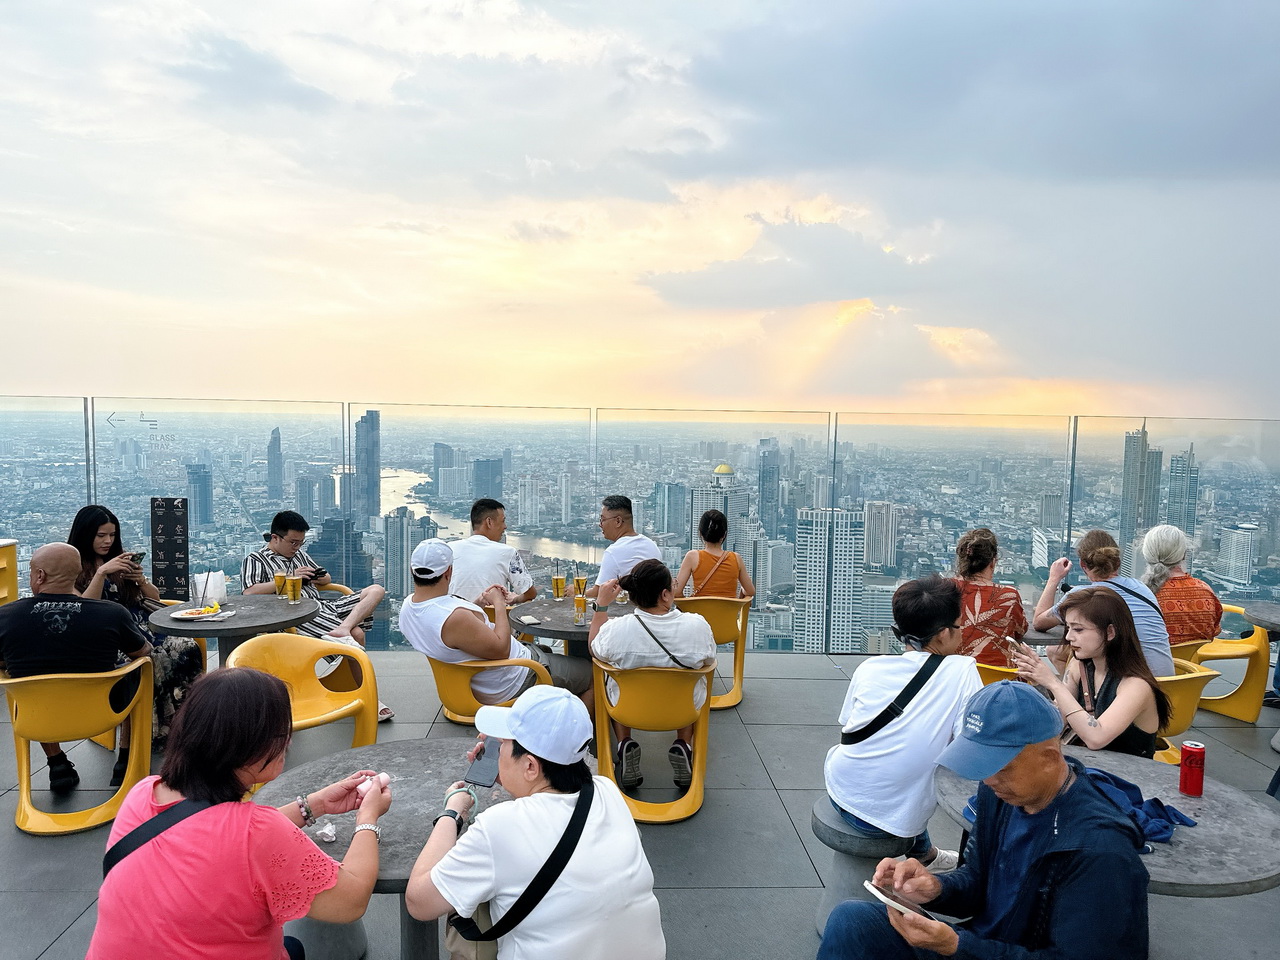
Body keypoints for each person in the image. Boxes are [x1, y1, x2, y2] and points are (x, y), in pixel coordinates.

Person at [818, 681, 1149, 960]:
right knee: (851, 920)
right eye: (980, 764)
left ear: (1049, 759)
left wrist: (957, 946)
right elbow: (977, 882)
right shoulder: (1002, 793)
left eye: (1001, 767)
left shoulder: (1099, 852)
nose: (988, 780)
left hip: (1006, 950)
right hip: (982, 944)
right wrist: (935, 889)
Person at [86, 668, 392, 960]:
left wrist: (315, 805)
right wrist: (368, 818)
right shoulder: (258, 832)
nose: (288, 740)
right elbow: (350, 902)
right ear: (247, 744)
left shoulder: (143, 793)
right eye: (280, 732)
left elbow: (220, 842)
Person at [404, 685, 665, 960]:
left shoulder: (499, 827)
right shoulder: (607, 792)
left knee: (472, 905)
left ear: (530, 766)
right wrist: (509, 771)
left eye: (504, 743)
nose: (499, 747)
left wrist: (452, 813)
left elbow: (419, 902)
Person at [824, 575, 982, 873]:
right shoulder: (962, 671)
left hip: (841, 790)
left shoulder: (869, 668)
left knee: (897, 773)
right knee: (909, 783)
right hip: (892, 821)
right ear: (943, 634)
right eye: (959, 626)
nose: (962, 634)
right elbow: (968, 746)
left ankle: (926, 854)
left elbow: (848, 725)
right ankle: (924, 856)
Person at [0, 543, 151, 793]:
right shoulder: (111, 614)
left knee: (28, 681)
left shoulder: (6, 617)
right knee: (138, 668)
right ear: (77, 573)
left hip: (36, 717)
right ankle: (125, 761)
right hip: (104, 714)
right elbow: (142, 652)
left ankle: (57, 764)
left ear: (39, 575)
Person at [67, 505, 203, 757]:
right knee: (151, 659)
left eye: (112, 535)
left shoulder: (119, 561)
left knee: (188, 647)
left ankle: (188, 723)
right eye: (101, 535)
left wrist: (140, 579)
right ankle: (153, 730)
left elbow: (152, 598)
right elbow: (84, 609)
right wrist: (100, 574)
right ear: (86, 534)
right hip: (107, 637)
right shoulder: (73, 566)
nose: (108, 541)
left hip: (139, 627)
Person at [399, 539, 592, 708]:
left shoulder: (408, 608)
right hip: (514, 680)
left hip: (478, 681)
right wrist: (499, 602)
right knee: (592, 674)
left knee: (548, 653)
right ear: (449, 572)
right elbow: (502, 649)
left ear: (412, 570)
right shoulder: (454, 618)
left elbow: (455, 634)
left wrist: (476, 605)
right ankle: (580, 744)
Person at [241, 510, 392, 720]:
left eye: (300, 543)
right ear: (275, 537)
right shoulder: (256, 559)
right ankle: (369, 697)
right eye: (293, 542)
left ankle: (343, 628)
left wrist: (317, 577)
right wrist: (290, 576)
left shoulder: (299, 554)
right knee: (357, 636)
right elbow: (249, 592)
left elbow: (327, 576)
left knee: (376, 590)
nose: (297, 548)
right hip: (297, 616)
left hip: (324, 606)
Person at [589, 558, 716, 791]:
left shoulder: (617, 630)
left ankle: (624, 743)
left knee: (611, 676)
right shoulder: (697, 626)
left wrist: (602, 606)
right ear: (666, 595)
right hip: (683, 709)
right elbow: (708, 660)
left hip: (628, 710)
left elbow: (594, 649)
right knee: (692, 674)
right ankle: (683, 744)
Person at [1015, 586, 1171, 758]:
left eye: (1079, 629)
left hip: (1129, 780)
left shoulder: (1136, 685)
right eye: (1068, 627)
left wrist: (1053, 683)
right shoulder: (1079, 665)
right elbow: (1056, 722)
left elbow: (1096, 738)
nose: (1068, 637)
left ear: (1110, 632)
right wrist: (1038, 685)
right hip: (1092, 772)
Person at [1033, 529, 1174, 678]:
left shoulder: (1080, 597)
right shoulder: (1142, 588)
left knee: (1061, 652)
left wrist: (1054, 578)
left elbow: (1039, 622)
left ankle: (1077, 697)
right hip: (1171, 686)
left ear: (1082, 565)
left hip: (1131, 688)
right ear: (1118, 563)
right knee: (1056, 650)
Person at [951, 527, 1027, 667]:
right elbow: (1020, 630)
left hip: (953, 676)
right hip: (997, 680)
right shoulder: (1008, 596)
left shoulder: (944, 589)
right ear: (993, 562)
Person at [1140, 524, 1223, 647]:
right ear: (1184, 555)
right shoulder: (1205, 591)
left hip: (1151, 665)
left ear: (1147, 555)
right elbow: (1214, 630)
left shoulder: (1140, 595)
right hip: (1194, 665)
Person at [448, 498, 537, 606]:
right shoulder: (507, 552)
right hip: (490, 621)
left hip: (452, 619)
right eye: (503, 521)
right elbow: (530, 593)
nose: (505, 526)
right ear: (489, 522)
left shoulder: (449, 550)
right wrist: (515, 599)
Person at [585, 496, 661, 599]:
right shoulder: (651, 544)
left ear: (618, 521)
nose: (600, 524)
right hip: (652, 606)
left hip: (630, 609)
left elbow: (598, 593)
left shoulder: (613, 552)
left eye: (602, 519)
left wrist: (576, 591)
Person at [672, 508, 756, 600]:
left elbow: (677, 592)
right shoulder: (736, 558)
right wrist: (742, 590)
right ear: (724, 534)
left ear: (700, 533)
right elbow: (750, 591)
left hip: (699, 614)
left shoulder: (692, 557)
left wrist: (688, 605)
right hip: (728, 614)